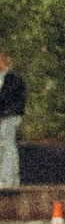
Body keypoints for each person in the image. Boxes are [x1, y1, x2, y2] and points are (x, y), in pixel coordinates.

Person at [0, 45, 22, 193]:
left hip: (9, 116)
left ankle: (8, 180)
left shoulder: (11, 78)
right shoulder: (8, 78)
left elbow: (6, 98)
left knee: (8, 147)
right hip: (7, 115)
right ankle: (10, 180)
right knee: (6, 147)